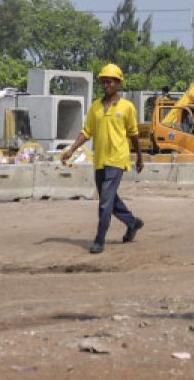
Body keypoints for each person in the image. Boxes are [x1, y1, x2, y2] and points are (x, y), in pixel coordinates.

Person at [60, 63, 144, 254]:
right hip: (100, 160)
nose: (105, 85)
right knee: (110, 200)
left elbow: (133, 134)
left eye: (109, 82)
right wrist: (71, 149)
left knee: (105, 201)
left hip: (117, 159)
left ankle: (99, 240)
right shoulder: (95, 107)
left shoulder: (127, 108)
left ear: (118, 83)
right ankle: (132, 223)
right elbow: (86, 131)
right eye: (103, 82)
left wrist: (139, 156)